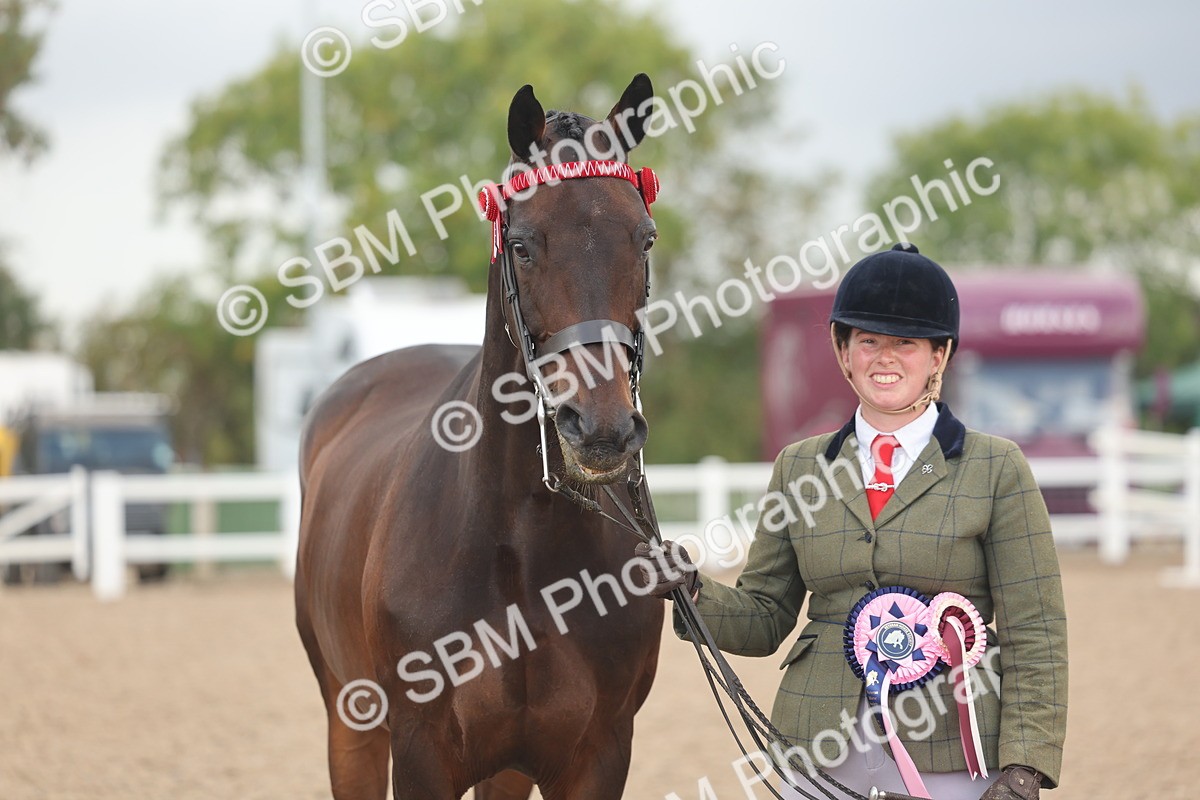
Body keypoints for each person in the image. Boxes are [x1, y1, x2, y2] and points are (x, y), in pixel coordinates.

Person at [639, 243, 1067, 800]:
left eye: (905, 343)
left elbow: (1035, 632)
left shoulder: (996, 467)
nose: (884, 358)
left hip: (948, 749)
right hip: (818, 751)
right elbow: (766, 616)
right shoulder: (799, 466)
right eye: (868, 341)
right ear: (844, 350)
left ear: (939, 355)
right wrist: (693, 590)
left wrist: (1026, 765)